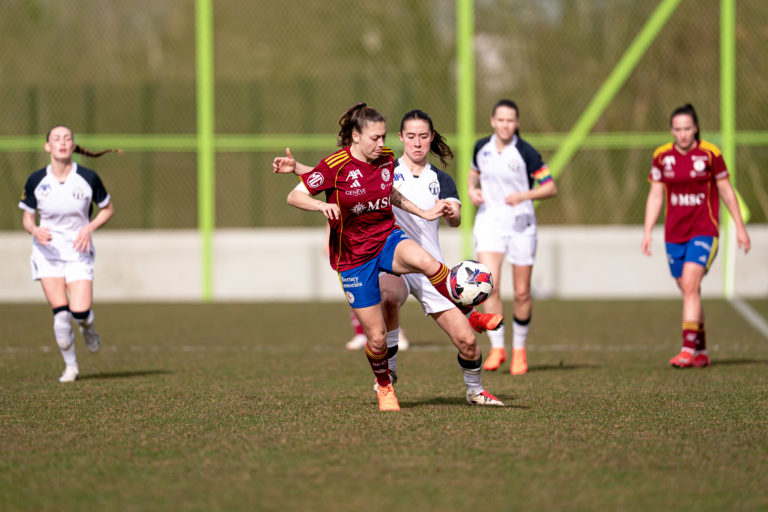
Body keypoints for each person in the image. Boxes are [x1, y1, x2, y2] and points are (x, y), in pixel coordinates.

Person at [274, 102, 503, 411]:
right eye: (375, 138)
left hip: (386, 238)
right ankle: (384, 385)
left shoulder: (384, 160)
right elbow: (295, 195)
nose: (382, 144)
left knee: (426, 261)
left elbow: (389, 193)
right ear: (356, 136)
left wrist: (423, 211)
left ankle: (469, 314)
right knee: (377, 338)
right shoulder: (335, 164)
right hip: (354, 257)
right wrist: (321, 205)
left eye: (383, 137)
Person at [642, 103, 750, 368]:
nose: (682, 134)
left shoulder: (710, 154)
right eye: (677, 129)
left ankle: (687, 349)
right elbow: (656, 195)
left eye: (687, 128)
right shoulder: (661, 157)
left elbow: (726, 191)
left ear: (696, 128)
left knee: (690, 285)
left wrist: (739, 226)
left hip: (704, 229)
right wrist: (647, 231)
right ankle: (701, 350)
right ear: (671, 130)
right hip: (674, 233)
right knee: (688, 289)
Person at [18, 125, 117, 382]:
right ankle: (71, 366)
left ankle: (87, 326)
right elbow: (27, 219)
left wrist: (90, 227)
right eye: (56, 139)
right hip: (47, 253)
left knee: (80, 311)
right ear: (47, 146)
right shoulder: (36, 180)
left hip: (78, 251)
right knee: (61, 315)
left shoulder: (87, 177)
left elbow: (107, 209)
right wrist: (35, 230)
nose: (62, 142)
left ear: (73, 146)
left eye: (67, 138)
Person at [468, 99, 557, 375]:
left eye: (511, 120)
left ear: (517, 123)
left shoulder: (526, 152)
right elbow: (473, 175)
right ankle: (498, 348)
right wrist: (472, 191)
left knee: (521, 292)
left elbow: (550, 187)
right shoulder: (481, 148)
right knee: (490, 286)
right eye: (501, 120)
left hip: (521, 225)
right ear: (493, 121)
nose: (505, 125)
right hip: (489, 223)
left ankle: (519, 349)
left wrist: (524, 195)